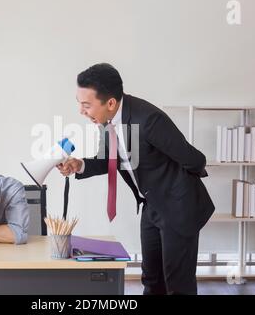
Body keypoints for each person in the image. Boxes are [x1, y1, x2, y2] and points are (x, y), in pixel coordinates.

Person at [57, 63, 215, 295]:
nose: (82, 111)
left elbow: (195, 160)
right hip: (151, 206)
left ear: (110, 103)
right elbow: (107, 161)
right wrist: (79, 165)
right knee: (151, 280)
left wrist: (174, 190)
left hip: (178, 207)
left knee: (178, 285)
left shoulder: (149, 120)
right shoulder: (105, 121)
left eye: (86, 105)